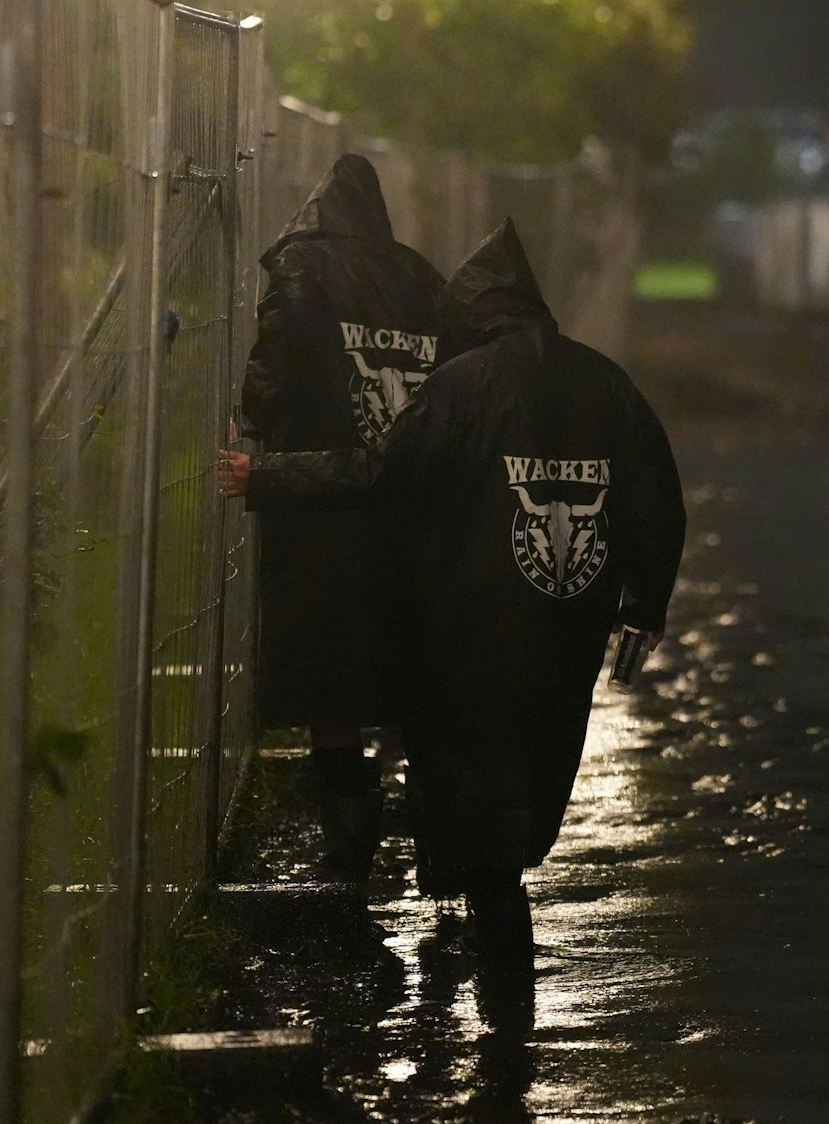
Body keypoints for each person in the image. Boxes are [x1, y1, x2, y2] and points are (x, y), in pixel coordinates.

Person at [220, 220, 687, 968]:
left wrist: (270, 477)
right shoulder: (608, 384)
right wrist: (642, 607)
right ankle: (500, 893)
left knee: (467, 759)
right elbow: (657, 501)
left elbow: (382, 472)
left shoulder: (461, 389)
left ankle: (494, 917)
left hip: (468, 619)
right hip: (570, 621)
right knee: (541, 755)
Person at [239, 153, 446, 882]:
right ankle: (440, 850)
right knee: (413, 672)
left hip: (319, 508)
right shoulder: (421, 280)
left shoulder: (301, 269)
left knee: (332, 683)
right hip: (413, 511)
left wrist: (262, 421)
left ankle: (347, 856)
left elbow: (269, 378)